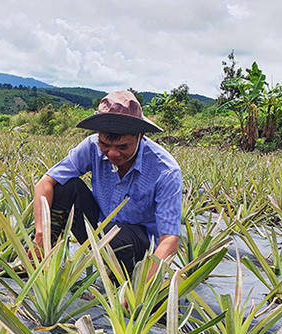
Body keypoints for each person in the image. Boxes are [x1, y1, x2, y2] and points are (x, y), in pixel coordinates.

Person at [33, 90, 182, 276]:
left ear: (141, 136)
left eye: (123, 147)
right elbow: (45, 183)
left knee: (118, 237)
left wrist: (145, 286)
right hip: (99, 231)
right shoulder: (92, 146)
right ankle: (41, 259)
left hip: (136, 244)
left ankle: (124, 278)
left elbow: (170, 238)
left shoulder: (165, 171)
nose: (112, 154)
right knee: (65, 187)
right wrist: (40, 234)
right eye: (105, 144)